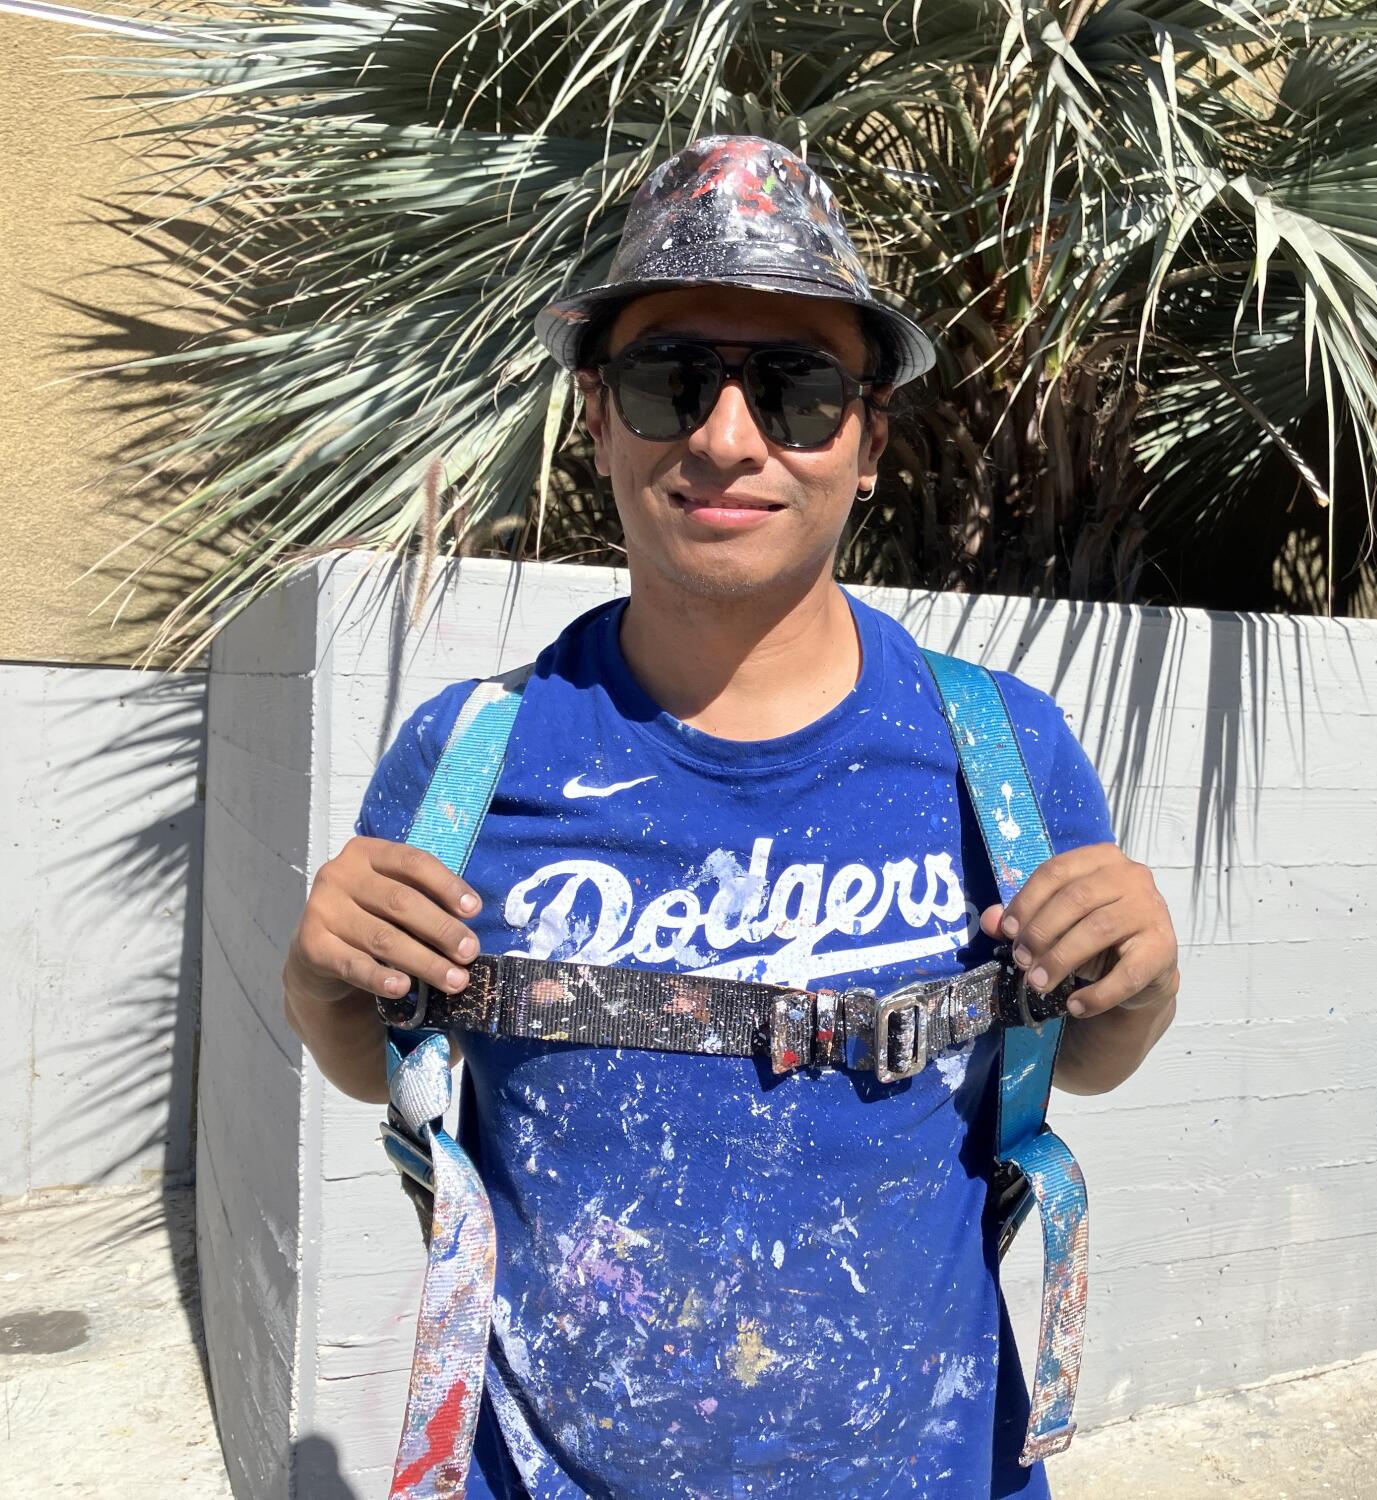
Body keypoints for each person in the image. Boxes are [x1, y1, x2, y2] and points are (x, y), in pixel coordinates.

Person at [281, 135, 1179, 1500]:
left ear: (870, 442)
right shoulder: (468, 759)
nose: (725, 439)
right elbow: (386, 1063)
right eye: (670, 379)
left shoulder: (1001, 755)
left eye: (798, 389)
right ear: (597, 417)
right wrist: (319, 984)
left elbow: (1086, 1059)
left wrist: (1142, 986)